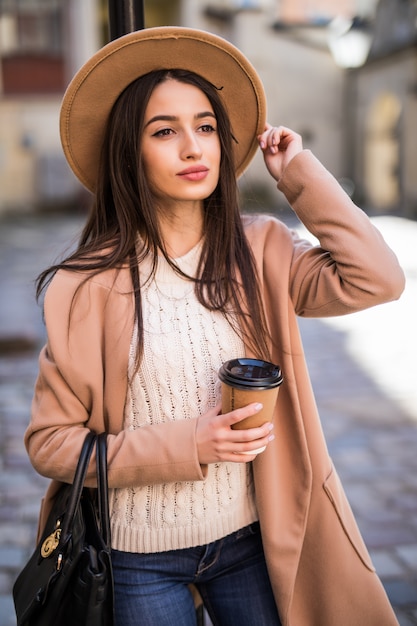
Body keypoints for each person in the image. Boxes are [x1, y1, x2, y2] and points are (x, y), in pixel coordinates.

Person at [25, 27, 404, 626]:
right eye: (164, 131)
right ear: (130, 151)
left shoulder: (262, 248)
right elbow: (49, 444)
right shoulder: (85, 285)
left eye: (205, 127)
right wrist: (187, 446)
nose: (192, 147)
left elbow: (378, 278)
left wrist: (298, 174)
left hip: (253, 541)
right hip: (137, 559)